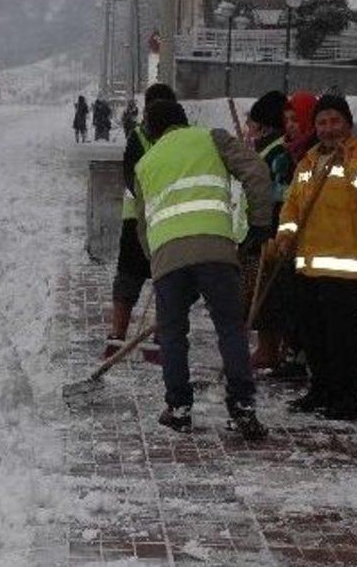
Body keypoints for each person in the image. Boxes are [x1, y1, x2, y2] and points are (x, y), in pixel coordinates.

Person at [133, 98, 273, 440]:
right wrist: (259, 224)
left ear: (151, 130)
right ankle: (242, 406)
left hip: (168, 257)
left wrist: (157, 261)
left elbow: (142, 226)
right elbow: (256, 172)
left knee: (172, 333)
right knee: (230, 328)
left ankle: (179, 408)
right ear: (184, 120)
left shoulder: (144, 164)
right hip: (216, 250)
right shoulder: (212, 138)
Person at [276, 95, 357, 421]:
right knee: (313, 336)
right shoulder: (309, 161)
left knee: (344, 339)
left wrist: (350, 167)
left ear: (348, 123)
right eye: (322, 123)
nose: (328, 129)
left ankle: (348, 398)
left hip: (346, 268)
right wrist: (285, 234)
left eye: (334, 121)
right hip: (309, 265)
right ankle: (321, 390)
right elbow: (292, 204)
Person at [103, 83, 177, 363]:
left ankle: (161, 338)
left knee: (166, 279)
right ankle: (117, 336)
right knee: (129, 276)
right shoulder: (139, 136)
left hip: (169, 220)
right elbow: (131, 177)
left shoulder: (178, 138)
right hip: (137, 219)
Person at [240, 91, 296, 371]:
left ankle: (269, 350)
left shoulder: (278, 154)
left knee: (268, 291)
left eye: (250, 123)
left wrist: (266, 229)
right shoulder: (266, 150)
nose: (247, 128)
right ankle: (270, 348)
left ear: (262, 125)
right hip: (262, 227)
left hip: (270, 230)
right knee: (264, 289)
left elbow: (279, 195)